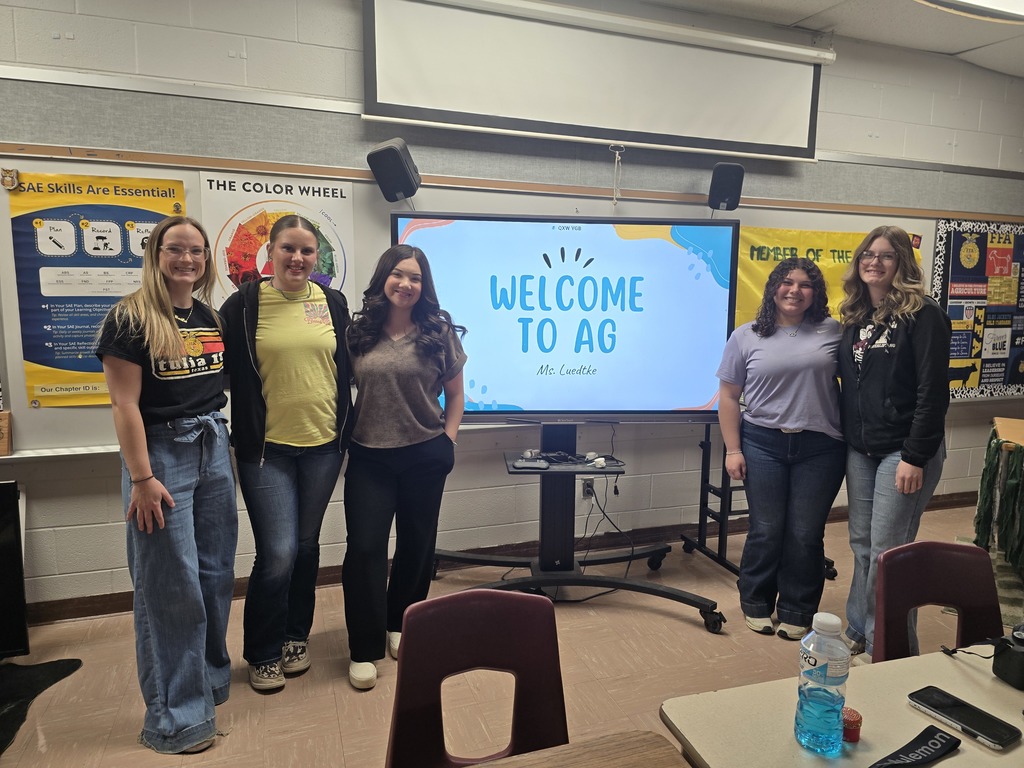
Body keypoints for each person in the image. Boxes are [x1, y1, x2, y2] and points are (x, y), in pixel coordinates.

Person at [96, 215, 236, 755]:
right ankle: (176, 718)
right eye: (176, 249)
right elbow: (123, 403)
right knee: (170, 587)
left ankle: (208, 682)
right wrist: (142, 478)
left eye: (197, 251)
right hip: (159, 457)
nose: (188, 260)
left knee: (215, 573)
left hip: (211, 445)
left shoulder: (204, 313)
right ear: (156, 253)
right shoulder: (130, 317)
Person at [220, 214, 352, 691]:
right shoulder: (244, 305)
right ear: (270, 253)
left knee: (306, 545)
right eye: (288, 248)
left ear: (318, 257)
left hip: (323, 446)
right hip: (266, 451)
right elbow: (220, 371)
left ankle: (297, 636)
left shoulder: (333, 303)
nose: (298, 258)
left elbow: (346, 370)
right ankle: (262, 651)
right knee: (277, 553)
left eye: (307, 250)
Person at [342, 244, 466, 690]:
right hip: (369, 456)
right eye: (398, 275)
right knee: (365, 550)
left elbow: (455, 396)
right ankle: (364, 647)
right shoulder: (358, 333)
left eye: (415, 278)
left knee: (417, 545)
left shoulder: (438, 333)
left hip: (424, 454)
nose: (406, 285)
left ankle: (401, 624)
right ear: (383, 279)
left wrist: (447, 442)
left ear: (424, 286)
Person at [717, 257, 846, 640]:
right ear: (773, 287)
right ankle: (756, 602)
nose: (795, 290)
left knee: (805, 532)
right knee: (767, 528)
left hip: (821, 446)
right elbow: (727, 396)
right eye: (787, 282)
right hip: (762, 442)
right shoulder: (747, 335)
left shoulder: (833, 331)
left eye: (805, 284)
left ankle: (797, 608)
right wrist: (732, 450)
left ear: (816, 293)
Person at [838, 225, 951, 658]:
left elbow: (932, 392)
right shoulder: (855, 314)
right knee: (862, 544)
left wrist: (915, 455)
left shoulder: (924, 314)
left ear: (902, 262)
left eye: (886, 255)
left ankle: (891, 644)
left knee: (890, 549)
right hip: (862, 449)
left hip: (904, 451)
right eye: (868, 253)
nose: (875, 262)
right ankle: (860, 627)